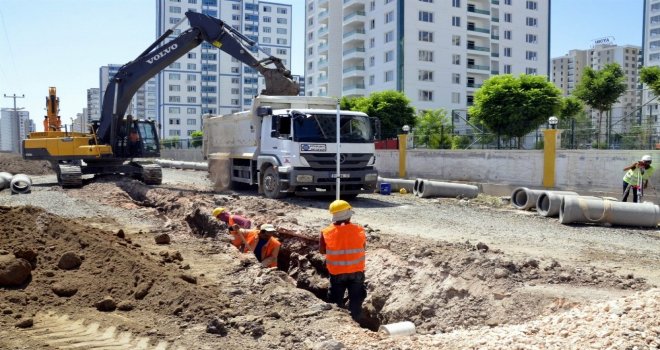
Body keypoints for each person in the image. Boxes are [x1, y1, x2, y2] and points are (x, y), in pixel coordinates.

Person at [320, 199, 367, 322]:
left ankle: (338, 324)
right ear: (349, 216)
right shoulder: (359, 230)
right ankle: (355, 322)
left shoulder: (326, 232)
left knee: (335, 302)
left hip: (337, 273)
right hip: (356, 272)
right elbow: (362, 247)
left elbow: (322, 250)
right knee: (356, 301)